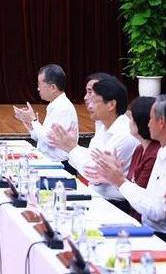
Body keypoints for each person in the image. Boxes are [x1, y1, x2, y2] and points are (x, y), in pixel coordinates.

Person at [82, 94, 166, 248]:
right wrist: (120, 180)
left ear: (161, 122)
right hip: (151, 229)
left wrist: (120, 181)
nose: (147, 124)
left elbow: (157, 211)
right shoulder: (164, 149)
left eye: (150, 119)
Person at [48, 76, 138, 208]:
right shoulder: (102, 126)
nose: (89, 104)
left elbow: (93, 173)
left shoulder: (124, 134)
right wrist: (73, 148)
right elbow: (91, 159)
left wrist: (72, 148)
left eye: (94, 101)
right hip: (97, 196)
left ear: (111, 105)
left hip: (115, 205)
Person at [86, 96, 161, 221]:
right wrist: (112, 178)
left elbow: (138, 197)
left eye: (131, 118)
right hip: (134, 215)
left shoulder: (154, 154)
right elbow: (130, 185)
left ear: (142, 123)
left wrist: (117, 180)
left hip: (143, 221)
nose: (128, 121)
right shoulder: (140, 149)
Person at [13, 64, 78, 164]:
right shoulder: (55, 105)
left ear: (52, 87)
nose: (38, 89)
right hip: (50, 161)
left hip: (60, 165)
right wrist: (30, 125)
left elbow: (49, 139)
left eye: (40, 84)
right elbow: (42, 139)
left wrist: (33, 120)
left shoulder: (63, 108)